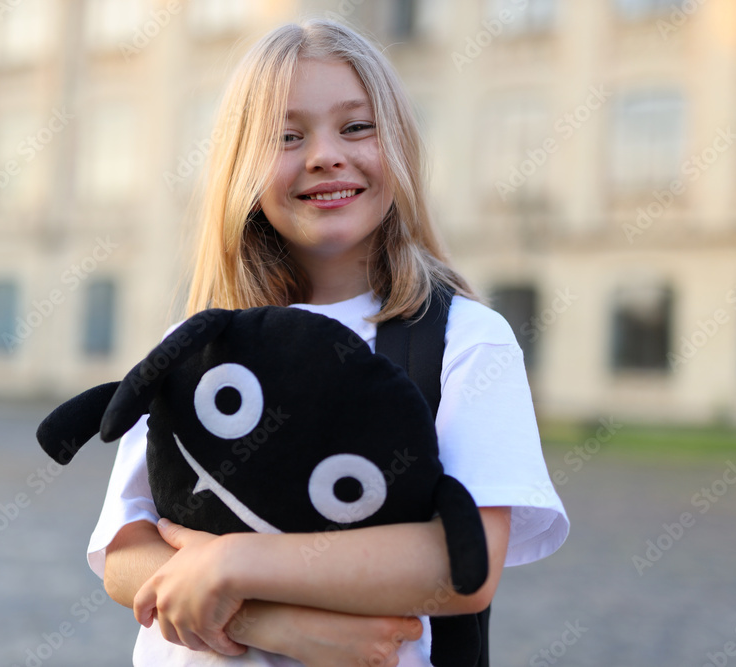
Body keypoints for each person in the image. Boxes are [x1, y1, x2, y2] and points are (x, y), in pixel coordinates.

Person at [86, 18, 569, 666]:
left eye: (356, 126)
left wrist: (234, 558)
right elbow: (125, 552)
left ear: (398, 145)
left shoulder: (464, 342)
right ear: (242, 169)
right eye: (287, 136)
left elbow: (466, 562)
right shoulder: (195, 346)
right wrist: (277, 624)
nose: (324, 154)